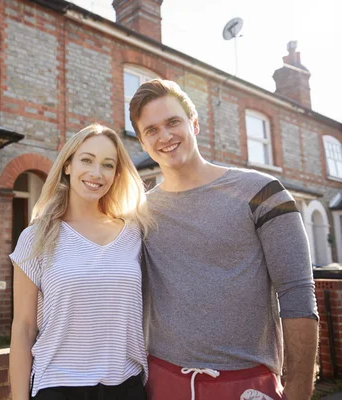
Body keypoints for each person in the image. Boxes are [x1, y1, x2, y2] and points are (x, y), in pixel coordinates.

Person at [129, 79, 319, 400]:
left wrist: (299, 388)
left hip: (247, 384)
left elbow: (297, 292)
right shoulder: (139, 213)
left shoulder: (262, 192)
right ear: (143, 143)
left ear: (195, 123)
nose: (165, 136)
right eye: (151, 130)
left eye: (173, 122)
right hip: (163, 381)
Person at [9, 124, 154, 400]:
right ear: (67, 166)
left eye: (107, 165)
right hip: (58, 386)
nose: (96, 173)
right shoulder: (36, 237)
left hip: (126, 386)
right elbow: (23, 328)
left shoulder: (135, 233)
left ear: (116, 174)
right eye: (86, 160)